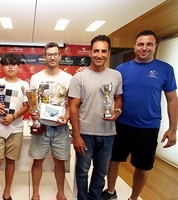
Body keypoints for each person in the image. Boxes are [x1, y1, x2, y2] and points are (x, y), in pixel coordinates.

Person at [101, 30, 177, 200]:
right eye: (140, 44)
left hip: (148, 127)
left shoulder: (165, 69)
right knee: (113, 161)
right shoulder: (121, 69)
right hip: (121, 124)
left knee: (142, 167)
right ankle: (111, 192)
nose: (144, 48)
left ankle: (133, 198)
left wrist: (173, 129)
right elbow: (114, 96)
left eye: (149, 44)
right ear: (134, 46)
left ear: (155, 46)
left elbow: (172, 100)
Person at [68, 35, 123, 200]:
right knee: (82, 172)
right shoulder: (79, 77)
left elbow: (118, 98)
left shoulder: (116, 75)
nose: (100, 55)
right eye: (96, 51)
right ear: (90, 53)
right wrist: (76, 135)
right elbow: (73, 107)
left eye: (104, 51)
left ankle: (95, 198)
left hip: (108, 134)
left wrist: (117, 111)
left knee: (100, 173)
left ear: (108, 53)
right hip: (85, 134)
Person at [29, 42, 73, 200]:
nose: (52, 57)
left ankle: (60, 193)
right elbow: (31, 103)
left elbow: (72, 103)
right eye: (49, 54)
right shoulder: (35, 78)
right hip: (41, 127)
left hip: (61, 128)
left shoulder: (69, 78)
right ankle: (35, 194)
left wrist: (67, 116)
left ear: (60, 57)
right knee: (37, 161)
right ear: (44, 57)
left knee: (60, 162)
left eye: (55, 54)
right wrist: (33, 113)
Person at [0, 53, 29, 200]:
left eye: (13, 63)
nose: (10, 66)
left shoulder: (24, 85)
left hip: (15, 128)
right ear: (2, 66)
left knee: (10, 161)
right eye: (7, 64)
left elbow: (26, 106)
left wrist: (14, 116)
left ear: (18, 66)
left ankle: (6, 192)